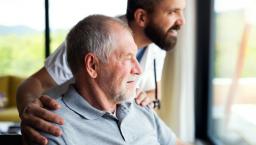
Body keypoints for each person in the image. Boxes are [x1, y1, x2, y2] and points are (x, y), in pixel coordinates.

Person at [17, 0, 186, 144]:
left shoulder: (157, 44)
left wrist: (142, 99)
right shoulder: (90, 40)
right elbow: (32, 84)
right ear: (141, 17)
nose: (182, 21)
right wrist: (31, 115)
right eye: (172, 12)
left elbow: (156, 92)